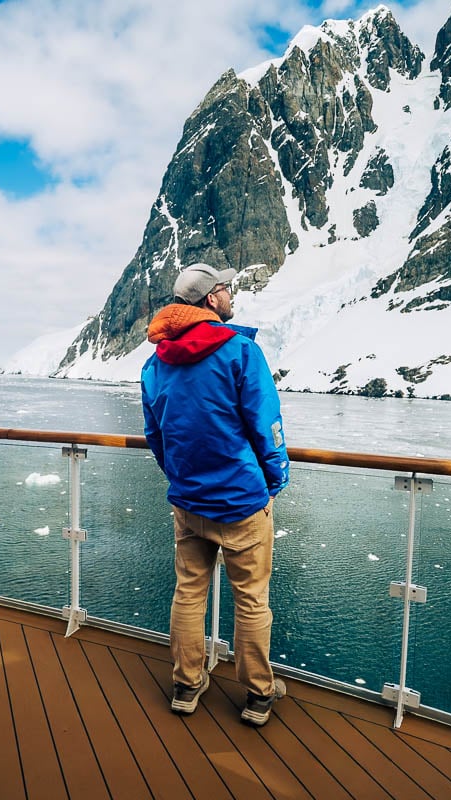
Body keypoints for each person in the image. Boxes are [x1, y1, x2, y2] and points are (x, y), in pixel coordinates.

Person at [140, 262, 290, 727]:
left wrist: (180, 477)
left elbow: (156, 434)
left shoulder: (154, 364)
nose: (230, 296)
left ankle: (186, 685)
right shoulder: (241, 352)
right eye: (225, 289)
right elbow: (265, 425)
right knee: (251, 599)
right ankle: (258, 695)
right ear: (211, 300)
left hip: (188, 501)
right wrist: (274, 480)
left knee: (189, 593)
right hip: (241, 502)